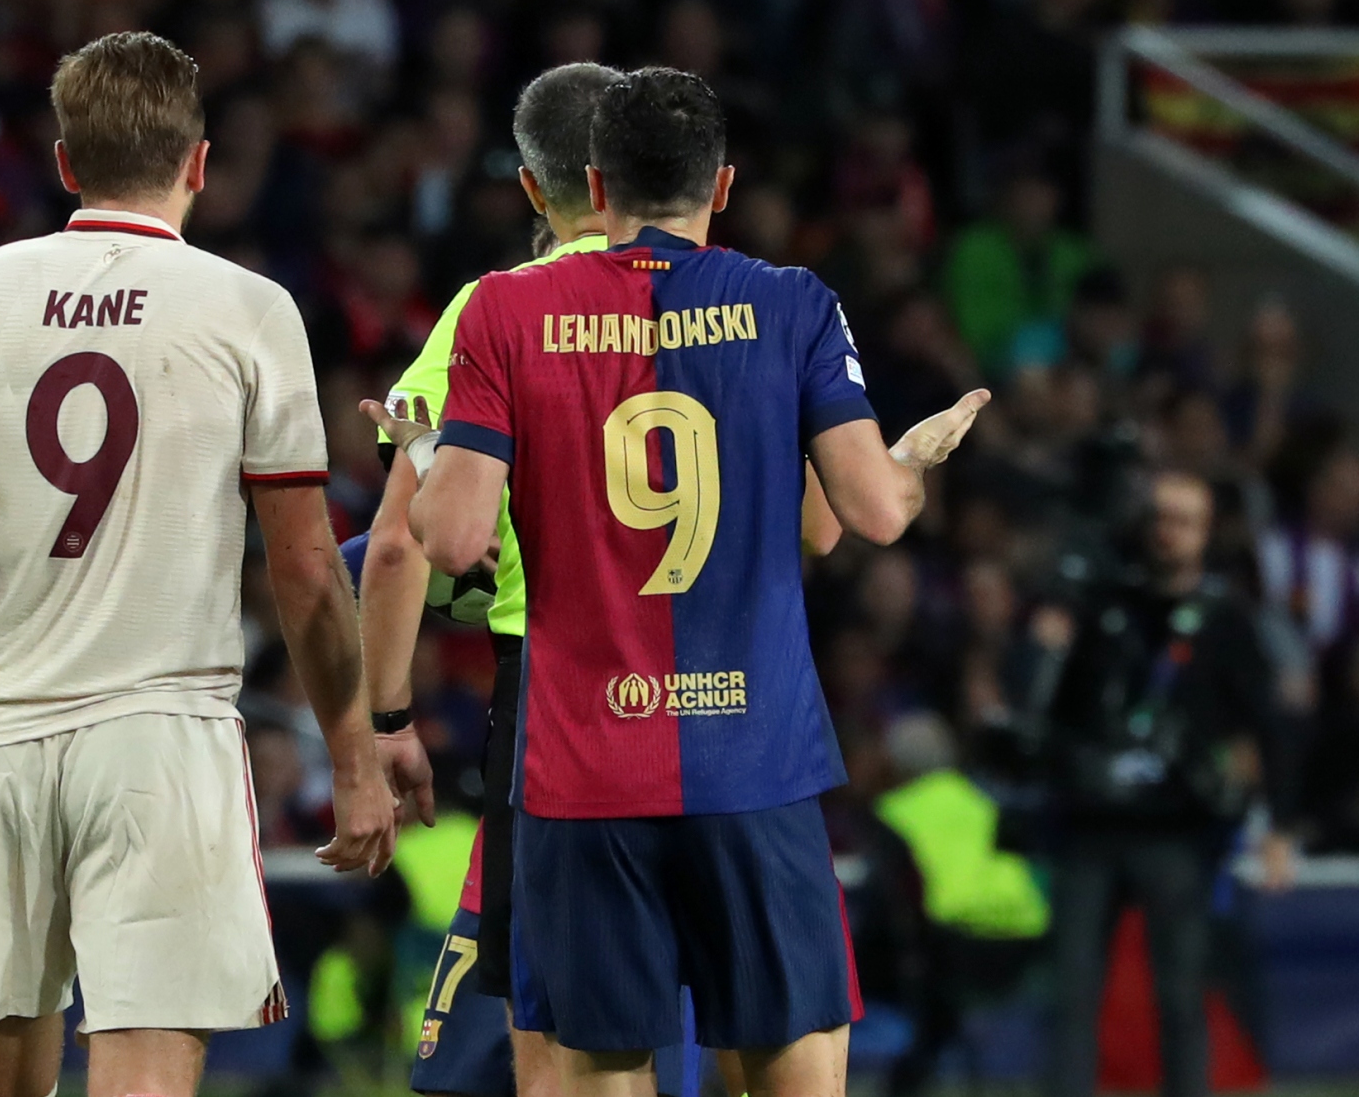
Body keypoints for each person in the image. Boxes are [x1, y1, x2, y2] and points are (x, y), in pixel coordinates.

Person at [0, 32, 398, 1097]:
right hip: (161, 738)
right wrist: (354, 754)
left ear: (65, 162)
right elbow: (303, 568)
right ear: (198, 162)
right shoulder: (248, 308)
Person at [375, 68, 988, 1097]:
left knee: (598, 1070)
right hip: (754, 761)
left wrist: (425, 448)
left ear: (592, 184)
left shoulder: (504, 312)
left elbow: (450, 539)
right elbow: (869, 515)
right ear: (723, 184)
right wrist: (912, 463)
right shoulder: (792, 303)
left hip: (582, 766)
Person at [1035, 471, 1298, 1097]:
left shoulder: (1223, 620)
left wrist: (1280, 825)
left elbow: (1269, 722)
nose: (1166, 532)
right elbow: (1058, 714)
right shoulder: (1103, 608)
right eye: (1158, 517)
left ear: (1206, 533)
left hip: (1177, 831)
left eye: (1183, 521)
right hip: (1092, 825)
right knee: (1072, 993)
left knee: (1181, 993)